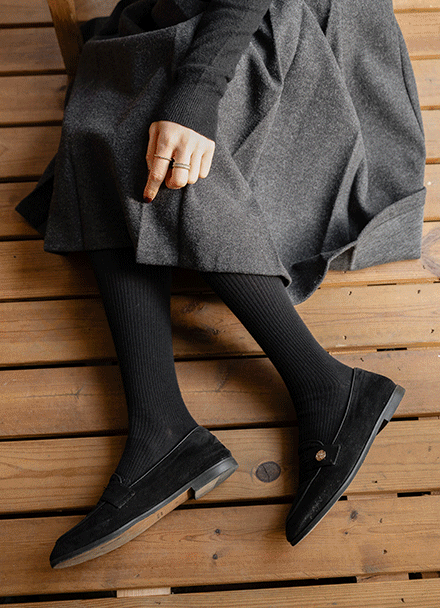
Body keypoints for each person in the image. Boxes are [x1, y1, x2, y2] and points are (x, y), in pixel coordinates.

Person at [16, 0, 426, 568]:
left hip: (285, 17)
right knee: (96, 123)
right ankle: (163, 430)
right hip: (174, 8)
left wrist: (197, 93)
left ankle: (323, 386)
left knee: (156, 142)